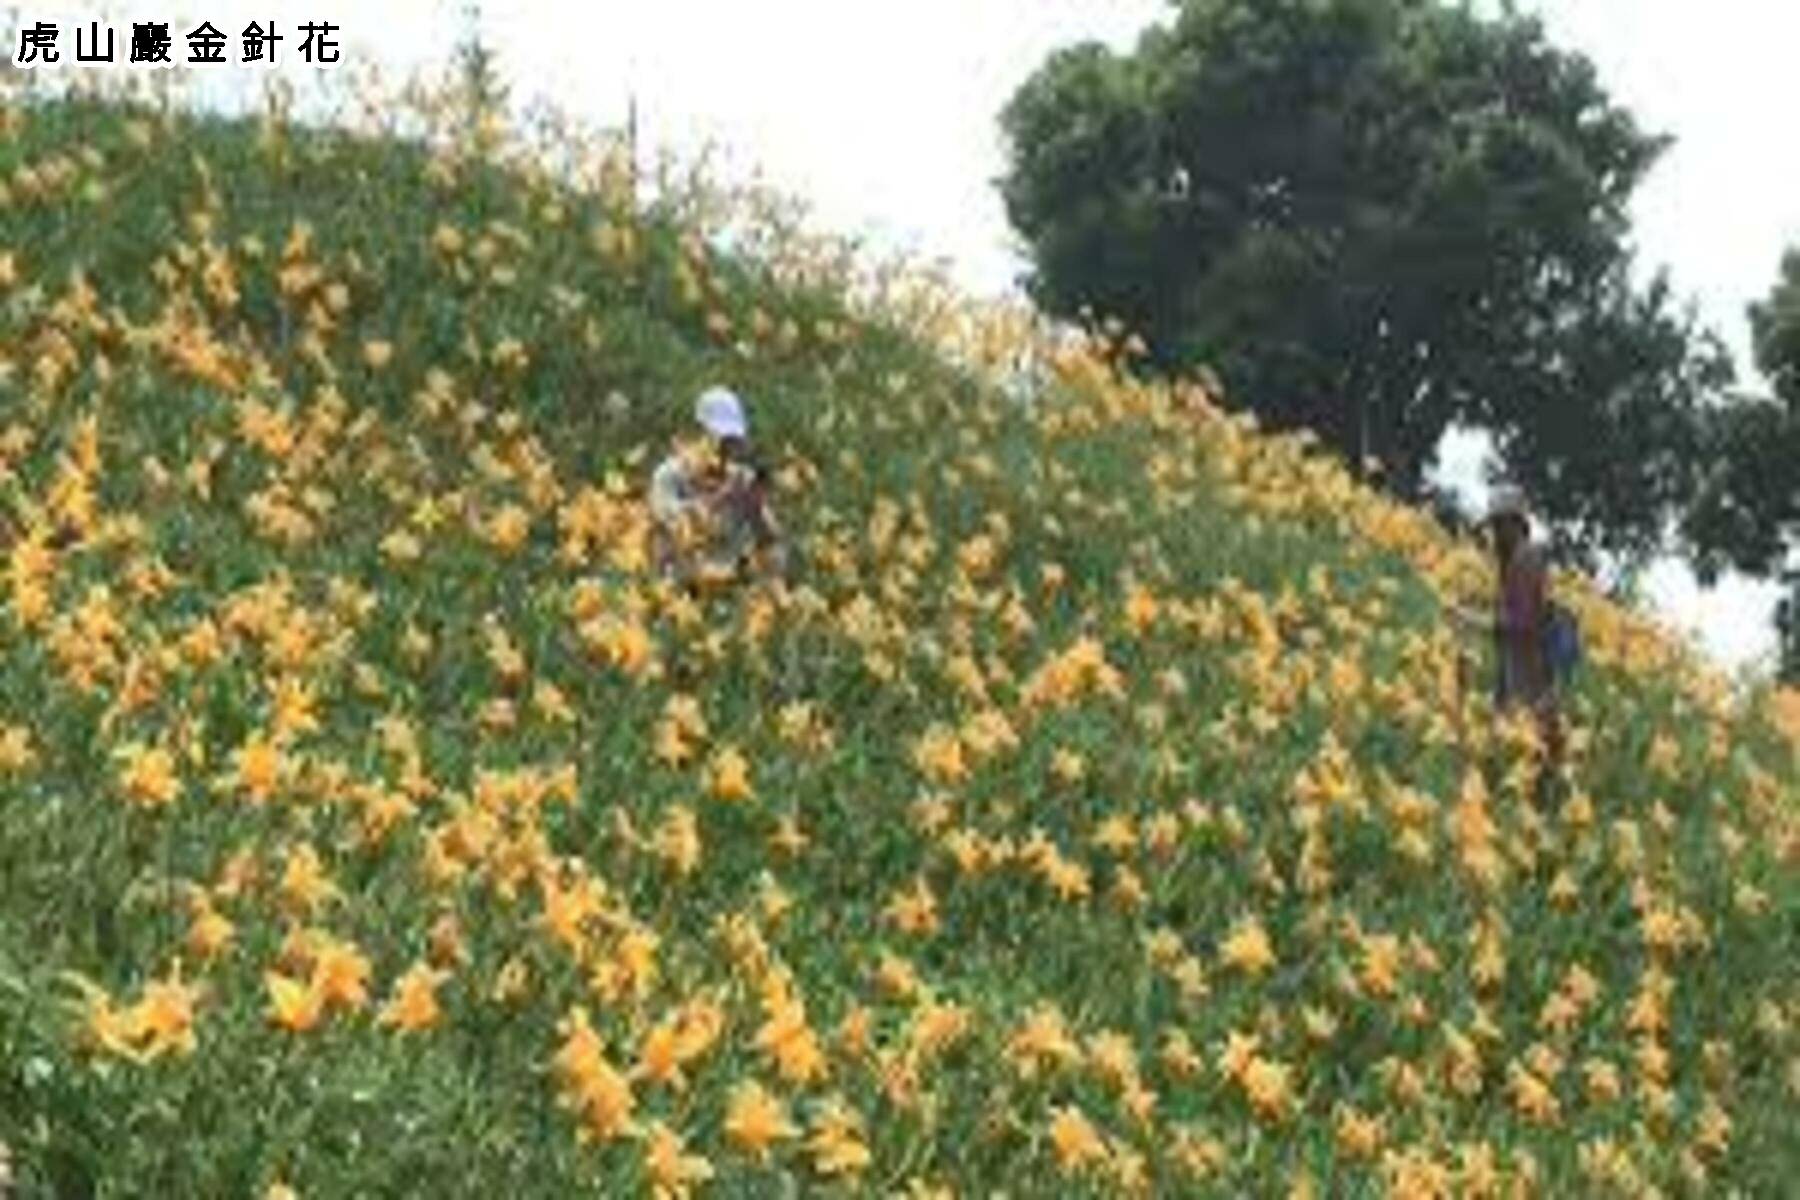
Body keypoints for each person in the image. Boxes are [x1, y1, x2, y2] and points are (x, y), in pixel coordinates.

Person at [1456, 485, 1565, 792]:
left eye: (1498, 525)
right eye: (1492, 526)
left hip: (1530, 684)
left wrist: (1470, 620)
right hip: (1526, 678)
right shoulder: (1519, 561)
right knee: (1521, 764)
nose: (1493, 534)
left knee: (1524, 765)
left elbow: (1521, 623)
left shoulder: (1525, 559)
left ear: (1515, 524)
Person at [647, 386, 789, 588]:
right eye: (719, 441)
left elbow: (772, 541)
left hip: (727, 583)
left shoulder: (739, 477)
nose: (724, 451)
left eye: (731, 443)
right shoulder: (669, 476)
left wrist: (756, 508)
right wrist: (720, 498)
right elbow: (677, 525)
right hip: (679, 586)